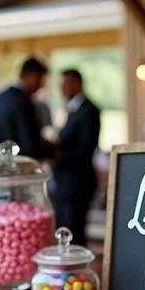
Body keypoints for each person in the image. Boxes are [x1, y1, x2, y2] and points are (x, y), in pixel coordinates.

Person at [48, 68, 101, 246]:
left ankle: (76, 271)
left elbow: (86, 148)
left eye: (65, 84)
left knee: (74, 229)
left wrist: (56, 157)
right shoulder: (72, 110)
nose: (62, 89)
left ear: (76, 83)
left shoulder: (89, 111)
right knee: (65, 226)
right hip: (66, 181)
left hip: (77, 182)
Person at [0, 57, 48, 158]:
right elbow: (30, 145)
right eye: (40, 79)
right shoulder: (23, 103)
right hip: (17, 167)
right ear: (30, 75)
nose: (41, 85)